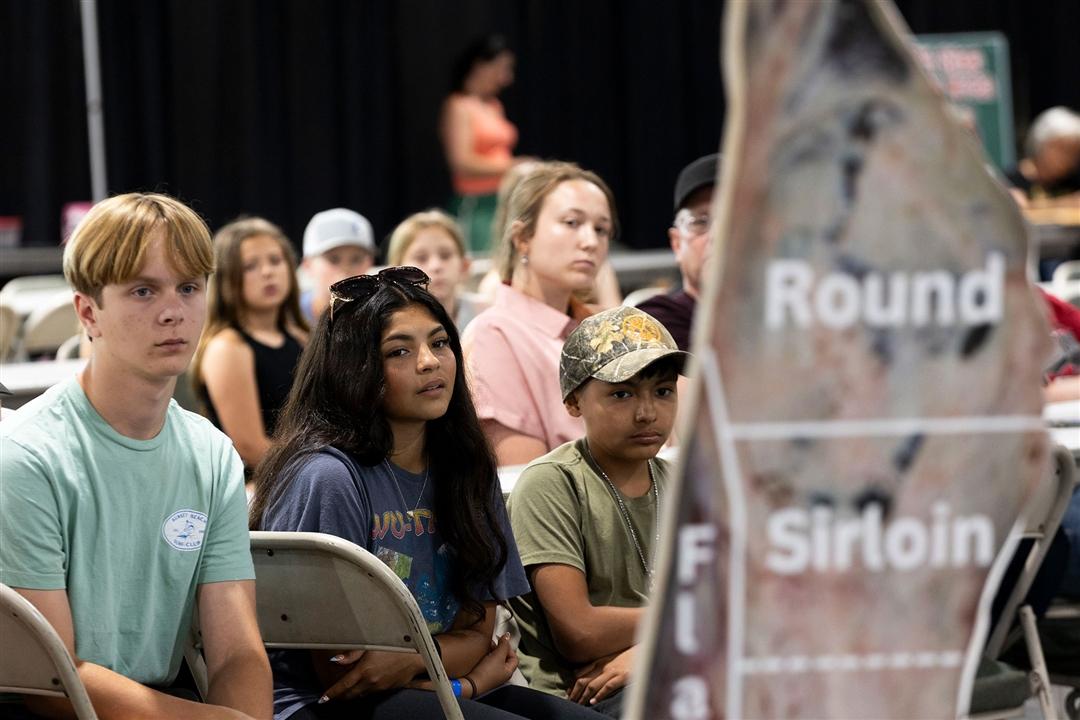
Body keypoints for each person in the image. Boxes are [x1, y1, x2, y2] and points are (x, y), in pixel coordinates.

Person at [248, 268, 602, 720]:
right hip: (321, 706)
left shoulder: (467, 465)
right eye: (400, 350)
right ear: (354, 370)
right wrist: (463, 680)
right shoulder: (328, 477)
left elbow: (479, 634)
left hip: (433, 686)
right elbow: (344, 673)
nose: (429, 362)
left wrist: (438, 671)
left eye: (439, 343)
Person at [0, 192, 271, 719]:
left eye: (189, 288)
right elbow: (50, 679)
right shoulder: (26, 456)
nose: (174, 311)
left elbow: (237, 653)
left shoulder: (211, 453)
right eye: (143, 290)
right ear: (88, 313)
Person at [507, 306, 688, 716]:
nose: (647, 413)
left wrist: (653, 649)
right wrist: (680, 627)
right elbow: (580, 633)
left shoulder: (684, 483)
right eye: (621, 394)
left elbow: (731, 609)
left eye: (663, 391)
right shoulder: (553, 483)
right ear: (574, 402)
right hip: (585, 693)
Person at [462, 162, 617, 466]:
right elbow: (522, 484)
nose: (590, 242)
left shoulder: (602, 329)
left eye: (601, 229)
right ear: (522, 238)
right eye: (572, 222)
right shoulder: (494, 336)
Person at [192, 217, 308, 468]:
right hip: (258, 483)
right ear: (227, 279)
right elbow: (250, 446)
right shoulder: (228, 348)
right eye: (250, 266)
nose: (268, 272)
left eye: (275, 261)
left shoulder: (300, 337)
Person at [440, 34, 521, 254]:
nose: (506, 78)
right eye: (502, 68)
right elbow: (462, 162)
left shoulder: (494, 105)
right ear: (480, 66)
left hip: (502, 198)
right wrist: (515, 166)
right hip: (476, 205)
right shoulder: (459, 106)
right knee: (481, 260)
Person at [638, 152, 720, 352]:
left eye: (732, 219)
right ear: (676, 244)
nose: (717, 235)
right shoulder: (654, 323)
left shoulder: (785, 314)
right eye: (701, 222)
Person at [386, 209, 488, 329]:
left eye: (445, 255)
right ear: (397, 274)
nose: (436, 266)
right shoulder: (388, 325)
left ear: (464, 267)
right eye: (421, 258)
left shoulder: (486, 314)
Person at [299, 208, 376, 323]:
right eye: (334, 259)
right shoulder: (286, 315)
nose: (346, 269)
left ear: (370, 263)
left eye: (356, 259)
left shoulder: (379, 317)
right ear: (307, 265)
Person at [1004, 106, 1080, 203]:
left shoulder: (1071, 180)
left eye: (1075, 152)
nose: (1069, 158)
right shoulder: (1011, 180)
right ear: (1042, 143)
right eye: (1063, 149)